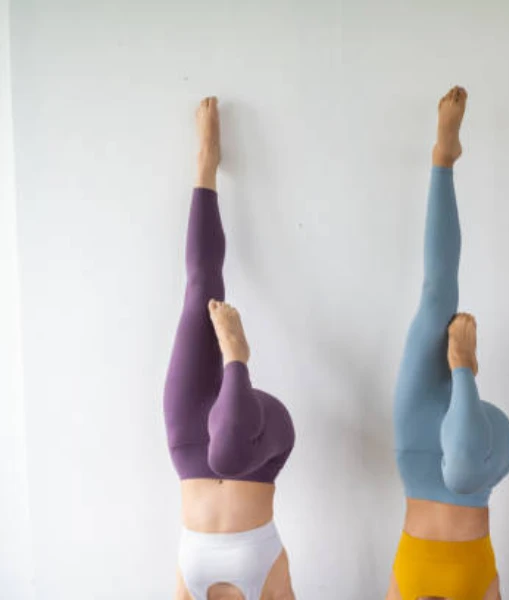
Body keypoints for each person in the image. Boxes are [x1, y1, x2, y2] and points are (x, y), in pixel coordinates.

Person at [385, 86, 509, 600]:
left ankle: (443, 160)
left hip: (418, 452)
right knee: (463, 469)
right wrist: (460, 373)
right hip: (479, 464)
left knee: (436, 297)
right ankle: (466, 367)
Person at [164, 97, 296, 600]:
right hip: (260, 457)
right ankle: (237, 358)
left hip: (189, 448)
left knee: (200, 290)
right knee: (231, 450)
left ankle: (204, 166)